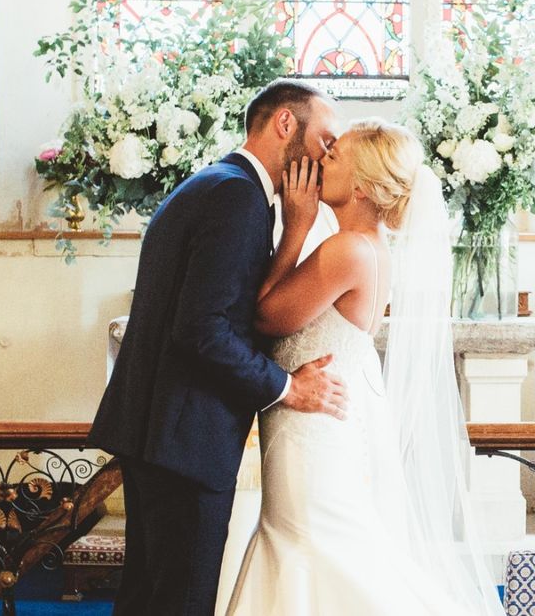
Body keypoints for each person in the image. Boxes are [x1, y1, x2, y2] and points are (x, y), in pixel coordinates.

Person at [88, 80, 349, 616]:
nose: (328, 154)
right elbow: (205, 331)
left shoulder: (215, 184)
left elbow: (235, 307)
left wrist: (295, 227)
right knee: (180, 603)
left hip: (162, 433)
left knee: (147, 599)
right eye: (325, 138)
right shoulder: (237, 197)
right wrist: (289, 388)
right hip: (186, 440)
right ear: (284, 124)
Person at [225, 119, 504, 615]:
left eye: (334, 156)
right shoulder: (366, 246)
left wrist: (296, 226)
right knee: (312, 547)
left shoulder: (348, 250)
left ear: (359, 185)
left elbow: (266, 316)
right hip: (315, 418)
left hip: (312, 427)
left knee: (314, 549)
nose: (320, 160)